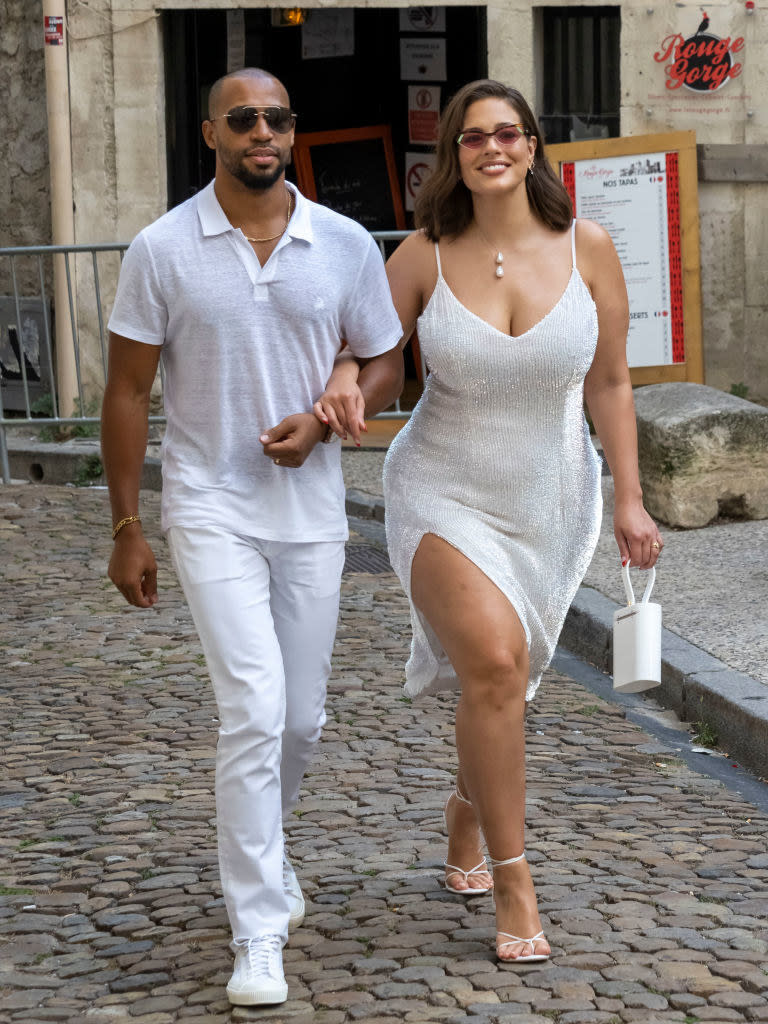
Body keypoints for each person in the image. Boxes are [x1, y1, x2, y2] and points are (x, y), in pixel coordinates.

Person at [315, 79, 663, 963]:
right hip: (440, 491)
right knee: (497, 665)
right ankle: (516, 878)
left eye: (509, 133)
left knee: (503, 680)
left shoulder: (588, 247)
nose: (493, 147)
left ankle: (468, 808)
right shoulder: (423, 256)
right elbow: (376, 357)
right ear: (454, 156)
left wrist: (629, 493)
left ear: (535, 146)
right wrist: (349, 384)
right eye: (474, 137)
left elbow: (612, 383)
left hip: (551, 498)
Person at [101, 67, 403, 1006]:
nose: (262, 132)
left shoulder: (345, 242)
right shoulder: (162, 248)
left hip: (312, 511)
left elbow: (383, 355)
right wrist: (125, 527)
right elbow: (125, 391)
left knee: (303, 717)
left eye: (276, 118)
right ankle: (257, 927)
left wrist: (336, 407)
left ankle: (263, 859)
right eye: (244, 119)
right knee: (254, 709)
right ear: (211, 134)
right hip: (209, 506)